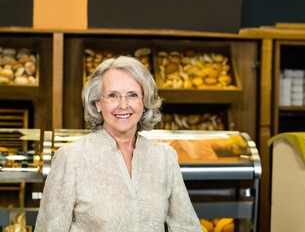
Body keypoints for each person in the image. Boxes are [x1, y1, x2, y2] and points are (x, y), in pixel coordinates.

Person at [35, 56, 202, 231]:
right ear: (98, 103)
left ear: (144, 102)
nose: (123, 105)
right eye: (113, 96)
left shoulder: (164, 157)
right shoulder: (70, 158)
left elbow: (187, 226)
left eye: (133, 95)